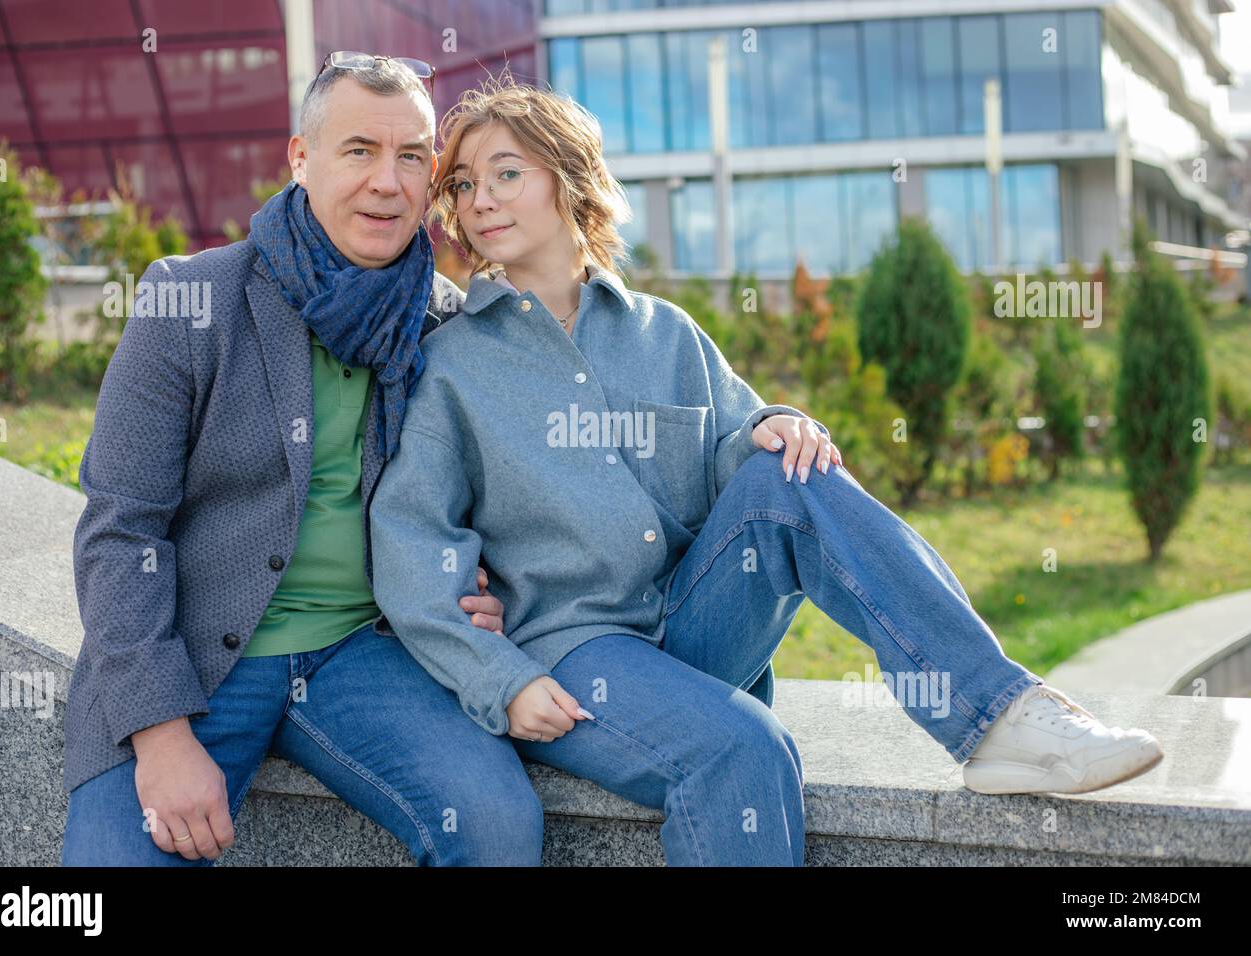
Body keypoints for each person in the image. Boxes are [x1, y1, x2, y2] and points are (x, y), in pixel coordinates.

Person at [366, 76, 1165, 866]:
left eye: (508, 173)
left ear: (571, 182)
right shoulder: (452, 366)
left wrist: (775, 425)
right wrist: (497, 680)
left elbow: (732, 455)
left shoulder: (665, 334)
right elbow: (410, 546)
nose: (480, 200)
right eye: (464, 184)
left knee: (788, 466)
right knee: (745, 749)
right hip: (577, 654)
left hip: (694, 620)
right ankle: (991, 716)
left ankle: (999, 718)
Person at [61, 54, 546, 866]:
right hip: (192, 657)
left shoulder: (447, 325)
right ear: (300, 158)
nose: (387, 183)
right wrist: (162, 734)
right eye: (359, 150)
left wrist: (487, 592)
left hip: (366, 651)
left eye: (412, 156)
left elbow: (508, 504)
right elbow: (120, 530)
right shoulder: (191, 300)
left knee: (497, 827)